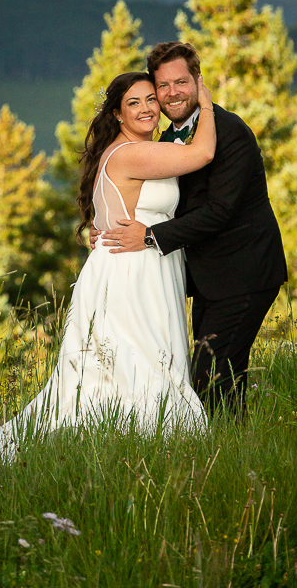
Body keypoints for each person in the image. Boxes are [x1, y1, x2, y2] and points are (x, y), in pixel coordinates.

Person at [0, 69, 217, 459]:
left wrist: (97, 228)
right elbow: (203, 153)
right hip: (133, 271)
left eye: (149, 100)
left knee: (115, 370)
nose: (145, 109)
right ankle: (143, 442)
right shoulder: (134, 152)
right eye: (133, 103)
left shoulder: (134, 150)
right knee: (138, 365)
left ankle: (108, 441)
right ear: (117, 116)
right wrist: (204, 99)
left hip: (135, 265)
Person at [96, 41, 287, 413]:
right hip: (207, 278)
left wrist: (149, 236)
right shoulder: (167, 138)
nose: (171, 94)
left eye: (180, 82)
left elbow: (219, 211)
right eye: (162, 87)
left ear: (198, 81)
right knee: (216, 374)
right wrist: (105, 224)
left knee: (209, 377)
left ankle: (222, 449)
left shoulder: (228, 131)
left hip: (243, 272)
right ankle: (232, 443)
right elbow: (156, 199)